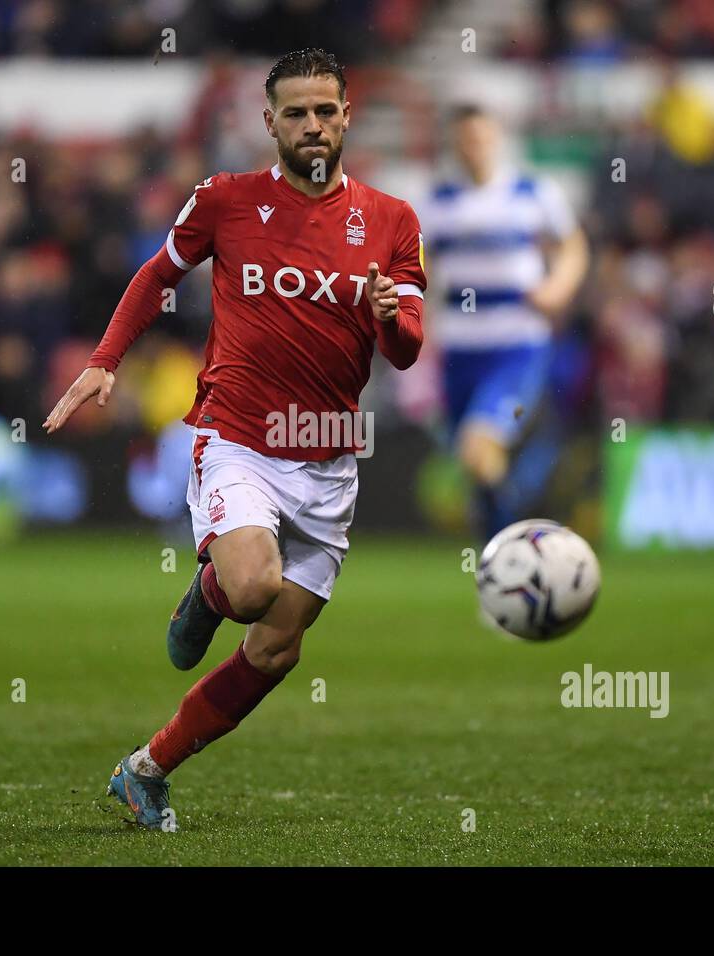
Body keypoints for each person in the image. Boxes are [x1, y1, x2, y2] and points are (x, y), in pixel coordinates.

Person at [42, 48, 427, 830]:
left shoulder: (393, 221)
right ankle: (213, 590)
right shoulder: (225, 200)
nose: (312, 126)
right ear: (270, 123)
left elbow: (408, 348)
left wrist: (391, 315)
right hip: (238, 437)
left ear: (347, 116)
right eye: (296, 113)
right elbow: (157, 275)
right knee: (252, 587)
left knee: (277, 651)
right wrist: (104, 362)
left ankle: (146, 770)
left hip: (328, 455)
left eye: (325, 110)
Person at [420, 105, 588, 539]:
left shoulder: (531, 192)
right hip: (459, 348)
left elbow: (573, 247)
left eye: (480, 137)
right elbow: (420, 268)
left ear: (496, 138)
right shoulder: (437, 204)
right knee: (477, 463)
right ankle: (504, 558)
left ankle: (518, 546)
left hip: (516, 343)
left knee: (479, 448)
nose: (473, 147)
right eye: (464, 139)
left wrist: (557, 288)